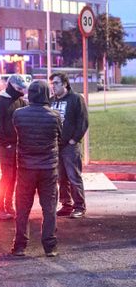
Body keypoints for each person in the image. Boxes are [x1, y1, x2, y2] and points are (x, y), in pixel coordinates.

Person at [12, 80, 62, 257]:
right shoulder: (54, 116)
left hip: (26, 168)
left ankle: (20, 246)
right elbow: (60, 138)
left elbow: (15, 133)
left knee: (22, 208)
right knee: (49, 208)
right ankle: (50, 246)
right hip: (48, 168)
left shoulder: (19, 114)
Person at [49, 72, 89, 219]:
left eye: (56, 83)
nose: (53, 86)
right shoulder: (51, 100)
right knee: (61, 177)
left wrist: (74, 139)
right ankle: (66, 205)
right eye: (52, 83)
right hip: (56, 145)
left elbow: (83, 121)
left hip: (70, 146)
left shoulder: (76, 99)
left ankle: (79, 206)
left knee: (74, 177)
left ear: (65, 84)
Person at [0, 74, 28, 220]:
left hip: (16, 144)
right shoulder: (0, 102)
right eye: (19, 88)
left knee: (13, 176)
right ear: (11, 86)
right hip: (6, 145)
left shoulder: (20, 101)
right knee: (7, 176)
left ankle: (9, 205)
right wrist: (5, 141)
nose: (21, 91)